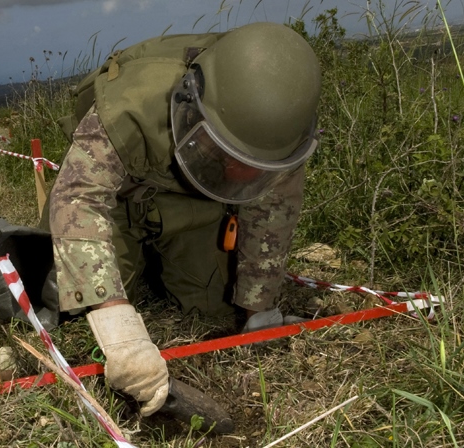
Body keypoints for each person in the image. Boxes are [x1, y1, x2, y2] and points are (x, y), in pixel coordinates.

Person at [47, 22, 321, 419]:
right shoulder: (132, 103)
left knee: (213, 310)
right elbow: (78, 198)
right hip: (120, 201)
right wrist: (118, 329)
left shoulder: (281, 134)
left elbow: (272, 211)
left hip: (197, 202)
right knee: (74, 309)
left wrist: (258, 307)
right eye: (228, 154)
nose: (244, 172)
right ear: (191, 104)